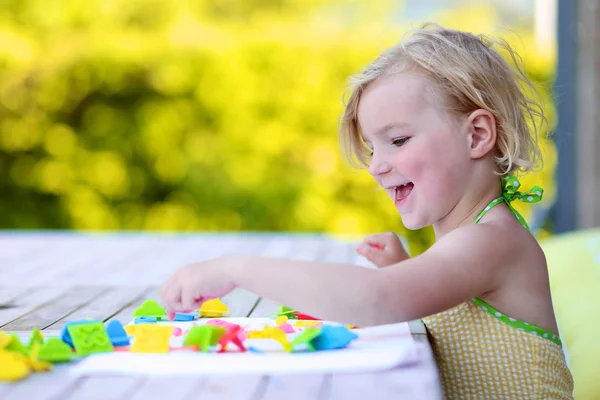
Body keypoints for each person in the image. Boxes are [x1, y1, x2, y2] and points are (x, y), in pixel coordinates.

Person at [161, 23, 574, 399]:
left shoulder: (492, 240)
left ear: (477, 135)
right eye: (373, 147)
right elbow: (433, 304)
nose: (377, 165)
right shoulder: (470, 238)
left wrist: (237, 269)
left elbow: (380, 300)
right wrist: (402, 267)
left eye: (397, 140)